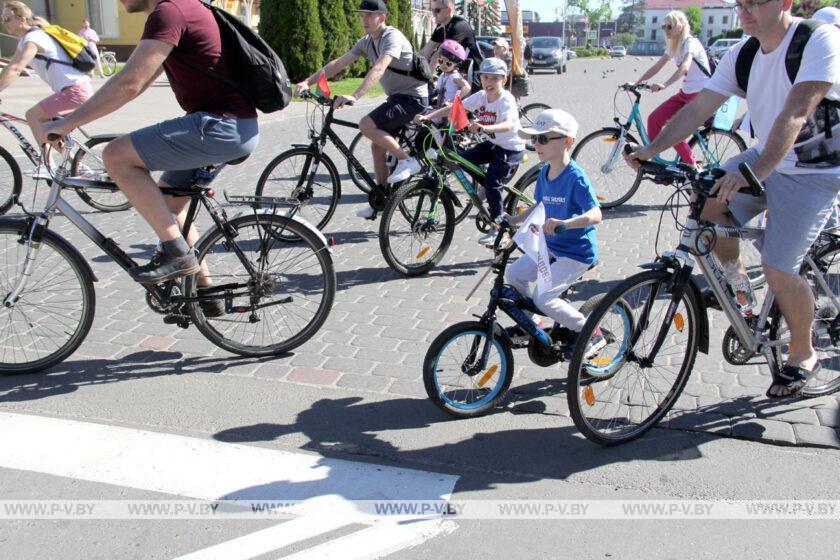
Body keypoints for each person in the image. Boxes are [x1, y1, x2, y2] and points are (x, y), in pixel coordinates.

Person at [625, 0, 840, 398]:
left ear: (785, 4)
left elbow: (796, 111)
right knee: (708, 207)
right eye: (740, 4)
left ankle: (804, 352)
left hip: (815, 169)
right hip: (765, 155)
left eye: (756, 3)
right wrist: (651, 150)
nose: (745, 11)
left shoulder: (816, 40)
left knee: (778, 266)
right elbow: (700, 108)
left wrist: (752, 175)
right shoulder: (743, 52)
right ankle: (742, 293)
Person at [43, 0, 259, 297]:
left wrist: (68, 124)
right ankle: (204, 292)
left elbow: (130, 83)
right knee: (168, 205)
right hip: (230, 127)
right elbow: (138, 82)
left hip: (218, 127)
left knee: (115, 156)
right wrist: (79, 117)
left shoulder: (169, 12)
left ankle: (179, 256)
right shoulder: (182, 9)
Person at [295, 0, 428, 219]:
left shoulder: (391, 37)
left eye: (369, 16)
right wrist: (306, 82)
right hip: (397, 98)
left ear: (381, 18)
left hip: (413, 98)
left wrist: (355, 96)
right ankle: (382, 199)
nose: (364, 20)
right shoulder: (367, 41)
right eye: (362, 15)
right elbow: (338, 64)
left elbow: (379, 67)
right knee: (377, 146)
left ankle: (407, 161)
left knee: (366, 124)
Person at [499, 109, 605, 355]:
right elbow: (539, 207)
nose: (537, 144)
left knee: (543, 297)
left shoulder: (575, 177)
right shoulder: (544, 172)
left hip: (575, 253)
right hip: (550, 247)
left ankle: (592, 332)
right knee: (514, 274)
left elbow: (597, 214)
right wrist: (513, 219)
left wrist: (566, 224)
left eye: (544, 139)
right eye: (535, 139)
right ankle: (530, 324)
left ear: (567, 142)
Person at [416, 57, 525, 245]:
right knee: (462, 158)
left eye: (494, 78)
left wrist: (485, 127)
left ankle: (500, 229)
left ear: (504, 80)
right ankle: (489, 189)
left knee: (492, 183)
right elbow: (455, 108)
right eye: (485, 77)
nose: (489, 82)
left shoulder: (505, 99)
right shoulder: (481, 96)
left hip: (510, 148)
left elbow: (508, 124)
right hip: (493, 144)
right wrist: (429, 117)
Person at [0, 1, 94, 179]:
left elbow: (16, 69)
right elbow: (12, 65)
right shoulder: (26, 40)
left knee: (33, 116)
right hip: (73, 90)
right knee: (48, 131)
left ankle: (46, 165)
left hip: (75, 91)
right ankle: (78, 167)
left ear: (22, 19)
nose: (4, 22)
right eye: (2, 19)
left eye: (7, 18)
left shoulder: (34, 38)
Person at [632, 10, 712, 168]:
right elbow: (657, 66)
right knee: (654, 119)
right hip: (686, 93)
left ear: (680, 27)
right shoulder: (674, 46)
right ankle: (656, 157)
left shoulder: (690, 42)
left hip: (700, 94)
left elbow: (685, 66)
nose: (666, 30)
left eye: (670, 26)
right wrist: (636, 83)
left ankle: (692, 165)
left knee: (674, 129)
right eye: (664, 27)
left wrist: (665, 84)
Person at [421, 0, 483, 91]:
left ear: (449, 11)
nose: (433, 14)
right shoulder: (440, 27)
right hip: (456, 71)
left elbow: (439, 55)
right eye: (432, 10)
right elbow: (424, 53)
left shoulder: (458, 25)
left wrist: (428, 80)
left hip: (473, 73)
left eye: (437, 10)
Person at [433, 39, 470, 110]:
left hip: (448, 110)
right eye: (441, 61)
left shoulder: (454, 77)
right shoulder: (443, 74)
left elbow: (467, 87)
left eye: (448, 63)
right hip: (440, 107)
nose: (443, 65)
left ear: (456, 65)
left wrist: (453, 101)